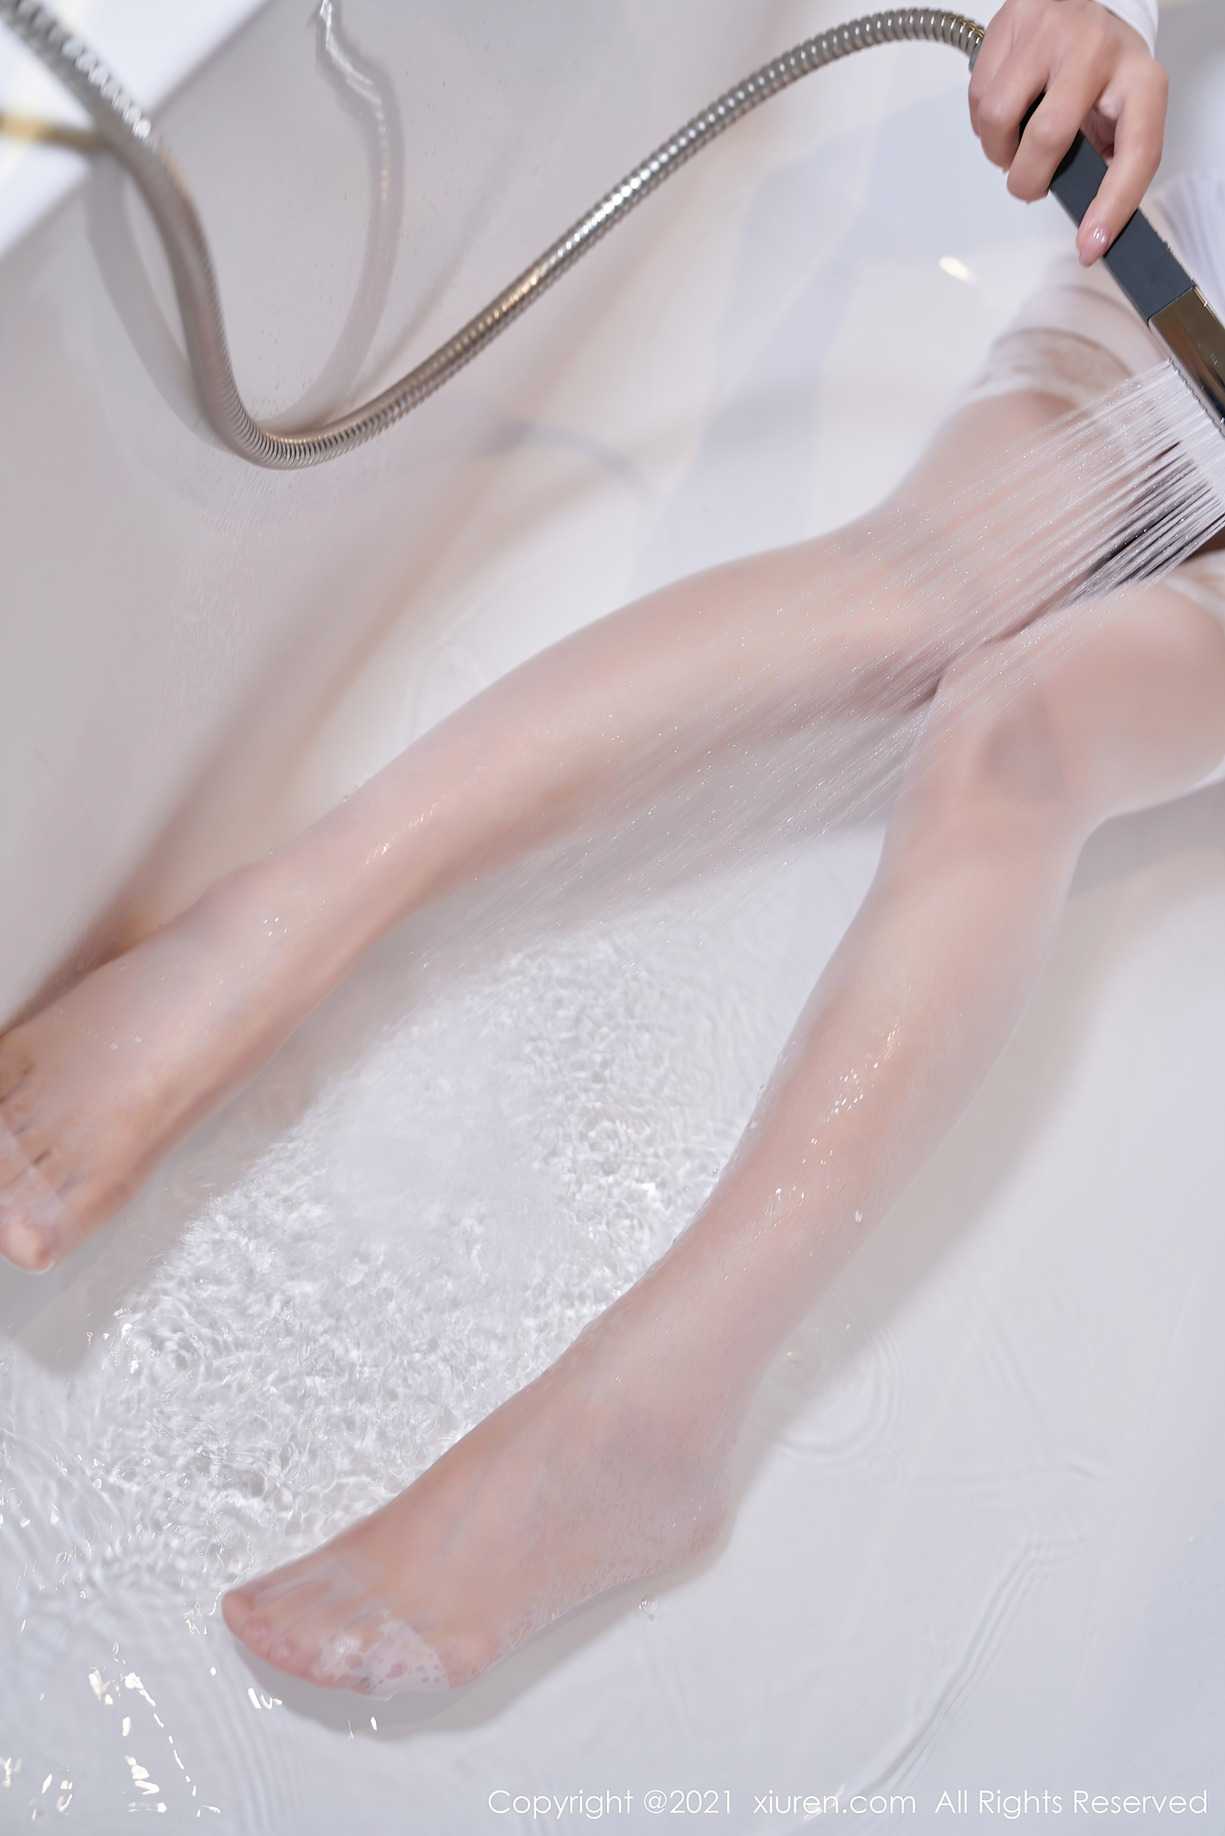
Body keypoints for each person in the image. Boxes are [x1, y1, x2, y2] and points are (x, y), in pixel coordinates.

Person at [2, 0, 1222, 1695]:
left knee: (1017, 736)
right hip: (1168, 292)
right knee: (904, 599)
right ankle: (269, 927)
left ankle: (651, 1422)